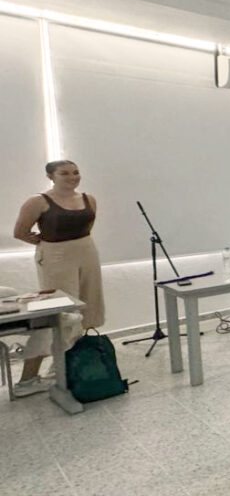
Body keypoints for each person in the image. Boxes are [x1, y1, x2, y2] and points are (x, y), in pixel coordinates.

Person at [12, 160, 105, 397]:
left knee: (86, 307)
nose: (72, 177)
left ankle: (65, 365)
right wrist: (44, 243)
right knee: (59, 313)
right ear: (51, 176)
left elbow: (88, 225)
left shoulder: (88, 199)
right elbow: (20, 232)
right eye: (65, 173)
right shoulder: (38, 201)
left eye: (76, 172)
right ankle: (28, 379)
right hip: (56, 255)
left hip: (85, 251)